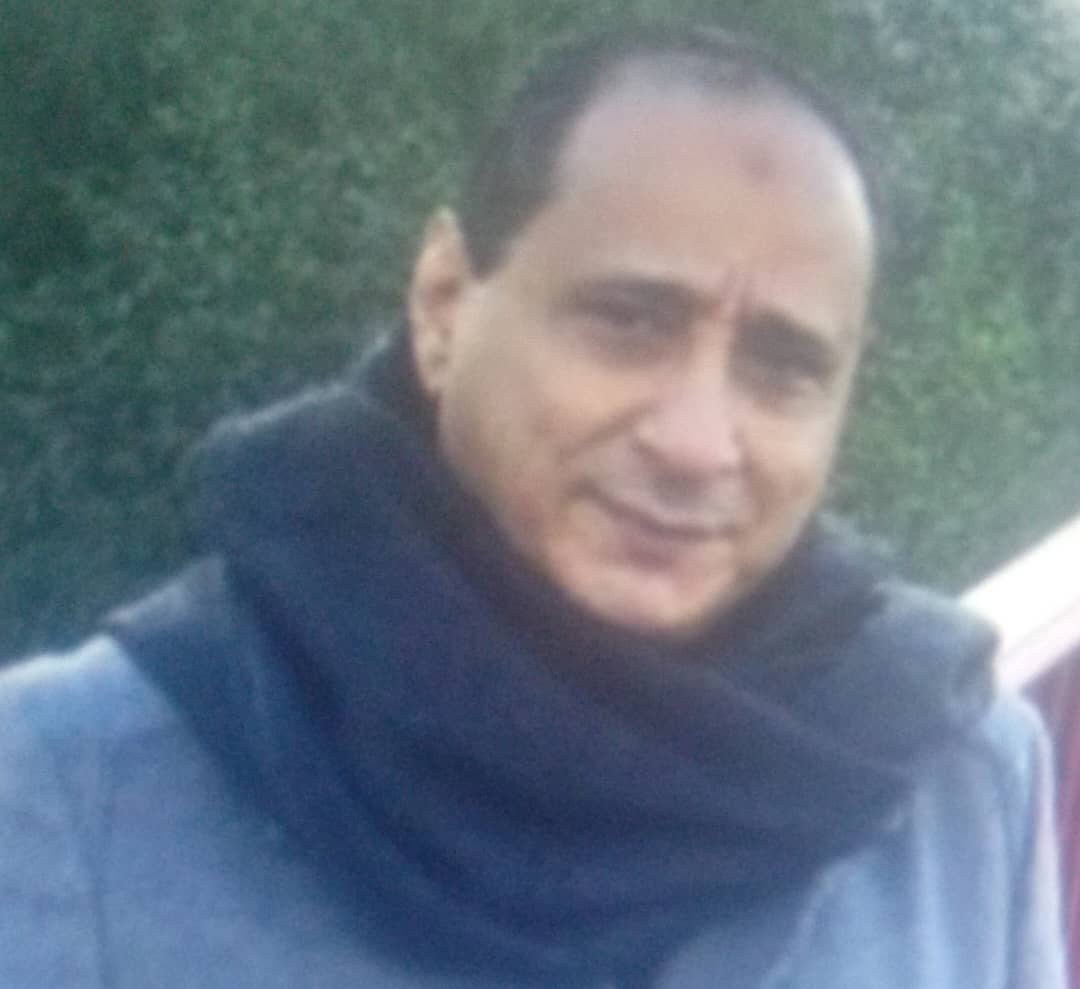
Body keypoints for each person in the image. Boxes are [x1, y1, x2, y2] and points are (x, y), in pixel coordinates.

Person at [0, 24, 1066, 989]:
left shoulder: (959, 787)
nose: (698, 443)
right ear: (443, 304)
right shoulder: (72, 791)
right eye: (630, 320)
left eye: (783, 368)